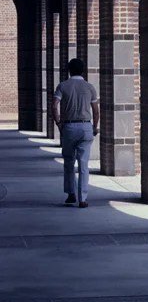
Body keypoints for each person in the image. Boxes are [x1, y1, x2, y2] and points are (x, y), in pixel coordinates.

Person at [52, 58, 99, 208]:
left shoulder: (62, 86)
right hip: (86, 126)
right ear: (83, 70)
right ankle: (83, 198)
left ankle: (71, 194)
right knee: (84, 164)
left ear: (69, 70)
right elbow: (96, 111)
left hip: (69, 127)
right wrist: (95, 127)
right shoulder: (90, 87)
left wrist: (58, 123)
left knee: (69, 162)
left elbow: (54, 106)